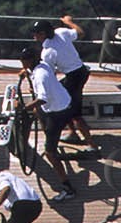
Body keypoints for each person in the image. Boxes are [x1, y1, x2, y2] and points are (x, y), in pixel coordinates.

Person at [19, 45, 80, 199]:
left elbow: (42, 99)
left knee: (50, 153)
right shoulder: (43, 65)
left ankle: (68, 189)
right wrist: (26, 74)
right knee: (37, 112)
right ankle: (51, 135)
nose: (22, 63)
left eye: (24, 61)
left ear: (31, 60)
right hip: (66, 103)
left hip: (57, 114)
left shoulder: (40, 76)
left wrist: (21, 108)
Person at [32, 16, 94, 147]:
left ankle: (91, 145)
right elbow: (80, 33)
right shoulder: (61, 32)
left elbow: (49, 74)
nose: (34, 36)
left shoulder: (47, 53)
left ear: (43, 34)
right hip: (82, 72)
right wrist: (69, 22)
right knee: (66, 102)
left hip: (73, 78)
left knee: (75, 112)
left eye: (36, 33)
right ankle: (73, 133)